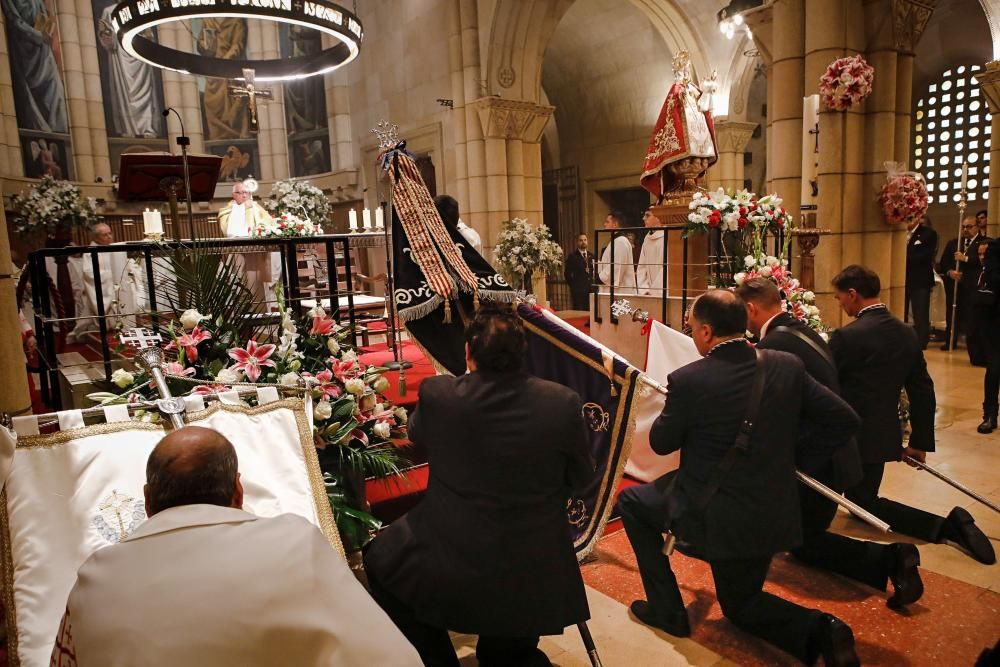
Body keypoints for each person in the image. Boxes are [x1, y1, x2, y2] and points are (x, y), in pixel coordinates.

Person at [616, 289, 863, 667]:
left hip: (715, 510)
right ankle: (821, 631)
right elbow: (845, 419)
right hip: (775, 503)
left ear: (706, 332)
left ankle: (670, 611)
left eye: (693, 327)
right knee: (741, 602)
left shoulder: (689, 379)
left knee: (632, 503)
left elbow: (662, 443)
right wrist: (792, 457)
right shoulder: (785, 365)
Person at [51, 426, 421, 667]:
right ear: (238, 492)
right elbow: (390, 657)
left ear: (148, 501)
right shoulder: (294, 541)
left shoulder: (94, 579)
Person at [364, 306, 594, 667]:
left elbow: (417, 436)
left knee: (379, 561)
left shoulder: (440, 394)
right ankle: (509, 654)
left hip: (453, 541)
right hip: (534, 549)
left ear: (468, 354)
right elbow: (581, 477)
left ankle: (437, 657)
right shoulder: (562, 402)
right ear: (523, 353)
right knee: (509, 648)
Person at [738, 278, 923, 609]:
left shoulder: (777, 346)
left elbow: (782, 409)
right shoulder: (800, 330)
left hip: (821, 456)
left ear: (751, 309)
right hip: (837, 449)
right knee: (801, 537)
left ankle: (893, 558)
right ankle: (891, 561)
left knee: (806, 542)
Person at [830, 265, 995, 565]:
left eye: (839, 297)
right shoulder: (906, 333)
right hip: (881, 435)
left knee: (857, 502)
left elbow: (828, 389)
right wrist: (919, 440)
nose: (839, 304)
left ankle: (947, 525)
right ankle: (948, 525)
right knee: (860, 501)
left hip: (849, 438)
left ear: (853, 294)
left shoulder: (847, 336)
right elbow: (922, 390)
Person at [937, 216, 987, 360]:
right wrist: (949, 272)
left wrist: (965, 259)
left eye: (969, 227)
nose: (965, 230)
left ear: (977, 227)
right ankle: (950, 340)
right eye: (964, 227)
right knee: (952, 313)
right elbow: (944, 262)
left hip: (973, 286)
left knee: (971, 316)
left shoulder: (983, 243)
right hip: (955, 286)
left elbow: (984, 262)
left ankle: (973, 345)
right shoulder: (954, 243)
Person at [975, 238, 1000, 433]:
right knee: (994, 367)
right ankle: (990, 415)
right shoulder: (995, 247)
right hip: (995, 318)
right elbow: (992, 276)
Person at [905, 215, 938, 349]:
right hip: (902, 279)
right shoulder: (899, 233)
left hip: (920, 279)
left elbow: (925, 255)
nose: (908, 221)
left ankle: (921, 342)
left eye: (911, 218)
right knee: (901, 311)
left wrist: (903, 258)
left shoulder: (928, 234)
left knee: (920, 313)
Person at [597, 211, 636, 294]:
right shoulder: (616, 241)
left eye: (607, 222)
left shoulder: (621, 242)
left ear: (615, 225)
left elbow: (616, 267)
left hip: (621, 291)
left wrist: (600, 278)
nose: (604, 224)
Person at [636, 208, 666, 296]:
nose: (643, 218)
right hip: (648, 292)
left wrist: (654, 291)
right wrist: (644, 289)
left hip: (662, 290)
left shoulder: (667, 237)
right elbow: (641, 266)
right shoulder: (647, 238)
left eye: (647, 215)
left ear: (658, 217)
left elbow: (666, 268)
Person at [564, 233, 592, 310]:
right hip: (578, 292)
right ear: (577, 242)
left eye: (585, 240)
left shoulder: (592, 255)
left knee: (591, 313)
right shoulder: (572, 256)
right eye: (581, 240)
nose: (583, 242)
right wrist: (574, 286)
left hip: (591, 290)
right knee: (579, 315)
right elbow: (567, 274)